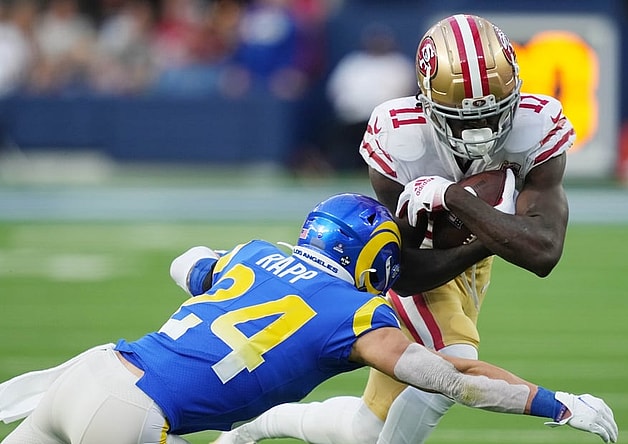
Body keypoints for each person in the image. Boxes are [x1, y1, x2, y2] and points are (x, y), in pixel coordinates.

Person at [215, 13, 600, 444]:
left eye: (493, 116)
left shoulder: (537, 123)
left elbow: (543, 253)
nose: (479, 133)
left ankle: (258, 425)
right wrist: (495, 229)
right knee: (448, 372)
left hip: (470, 258)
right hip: (417, 260)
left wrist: (456, 200)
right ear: (425, 102)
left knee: (365, 429)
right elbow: (407, 271)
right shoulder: (400, 135)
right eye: (460, 119)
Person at [0, 193, 618, 444]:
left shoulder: (251, 254)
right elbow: (451, 380)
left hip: (86, 374)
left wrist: (218, 270)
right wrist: (554, 403)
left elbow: (185, 263)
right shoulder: (353, 314)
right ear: (374, 256)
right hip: (132, 414)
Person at [323, 22, 414, 172]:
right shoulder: (353, 62)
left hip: (384, 121)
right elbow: (335, 90)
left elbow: (403, 92)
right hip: (351, 118)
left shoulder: (398, 64)